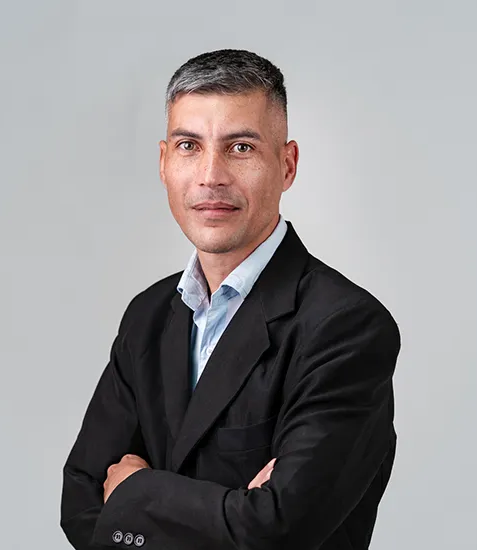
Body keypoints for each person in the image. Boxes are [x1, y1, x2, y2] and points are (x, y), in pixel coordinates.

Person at [60, 49, 401, 550]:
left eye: (240, 147)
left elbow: (278, 530)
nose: (210, 176)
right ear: (163, 162)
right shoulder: (147, 315)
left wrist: (135, 492)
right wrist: (234, 510)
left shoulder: (345, 328)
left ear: (287, 165)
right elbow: (80, 502)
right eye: (189, 146)